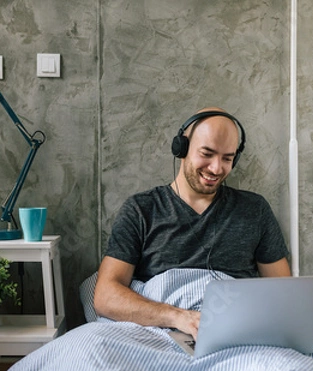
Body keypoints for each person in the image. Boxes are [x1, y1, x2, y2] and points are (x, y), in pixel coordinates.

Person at [94, 107, 291, 340]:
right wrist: (179, 317)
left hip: (233, 331)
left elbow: (284, 295)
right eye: (207, 154)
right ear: (182, 148)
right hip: (157, 332)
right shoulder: (141, 209)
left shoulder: (254, 210)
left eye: (227, 158)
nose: (217, 168)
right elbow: (105, 296)